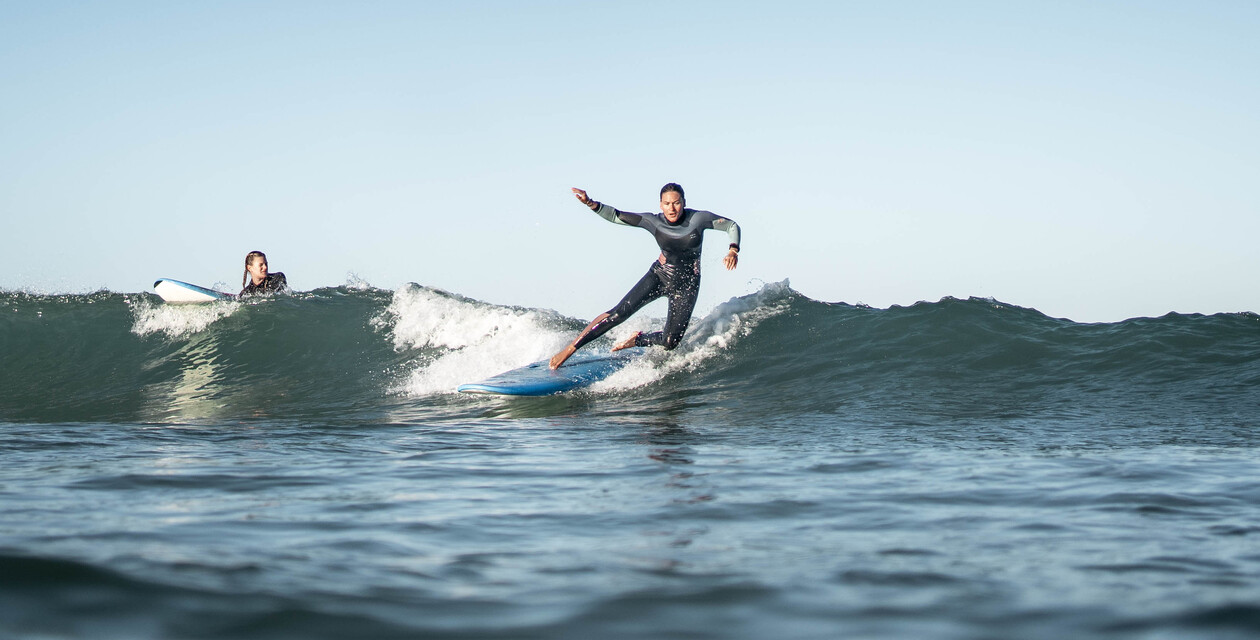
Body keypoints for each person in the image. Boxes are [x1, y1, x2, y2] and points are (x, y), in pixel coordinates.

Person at [549, 183, 741, 369]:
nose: (672, 208)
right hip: (659, 275)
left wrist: (733, 250)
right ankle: (570, 349)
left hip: (687, 285)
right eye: (667, 204)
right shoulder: (653, 221)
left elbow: (731, 226)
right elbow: (617, 216)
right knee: (618, 313)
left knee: (670, 341)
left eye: (676, 202)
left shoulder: (698, 219)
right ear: (660, 204)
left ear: (683, 202)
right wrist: (591, 203)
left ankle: (637, 339)